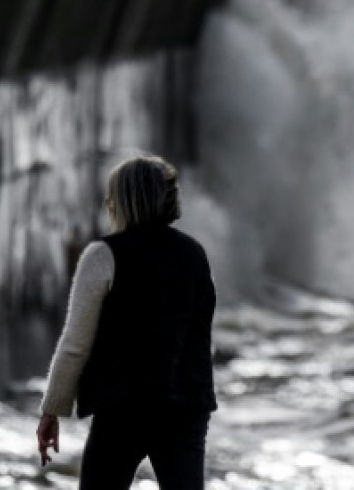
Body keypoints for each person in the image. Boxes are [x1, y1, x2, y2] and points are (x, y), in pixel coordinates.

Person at [36, 154, 218, 489]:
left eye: (112, 195)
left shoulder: (103, 255)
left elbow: (76, 343)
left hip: (124, 408)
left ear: (126, 200)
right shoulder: (194, 254)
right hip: (185, 407)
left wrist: (52, 410)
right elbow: (199, 335)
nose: (107, 201)